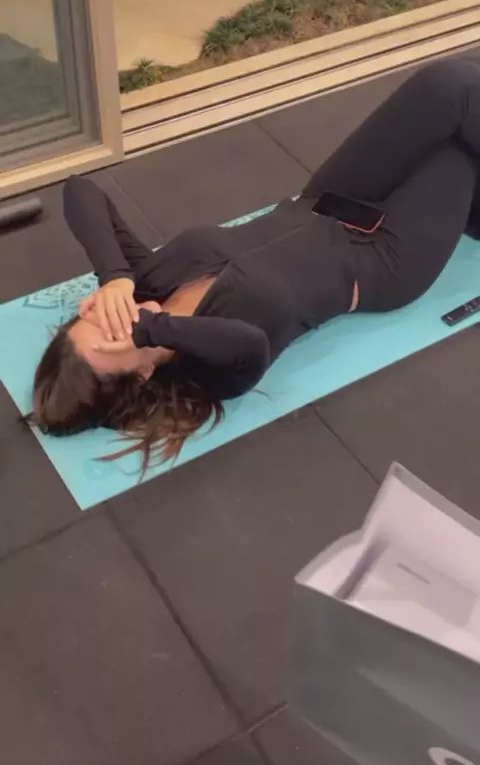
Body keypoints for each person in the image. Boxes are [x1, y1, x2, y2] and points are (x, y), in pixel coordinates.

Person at [30, 57, 480, 469]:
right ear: (143, 373)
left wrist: (113, 278)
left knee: (451, 83)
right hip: (385, 256)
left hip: (329, 198)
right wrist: (153, 329)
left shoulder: (147, 280)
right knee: (458, 146)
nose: (121, 318)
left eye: (97, 319)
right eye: (116, 336)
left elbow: (80, 190)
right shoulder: (209, 370)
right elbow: (251, 344)